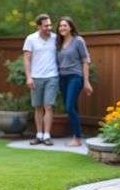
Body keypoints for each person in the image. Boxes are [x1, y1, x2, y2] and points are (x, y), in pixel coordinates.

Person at [55, 16, 93, 146]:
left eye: (65, 25)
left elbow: (85, 60)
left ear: (71, 27)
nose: (62, 28)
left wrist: (86, 81)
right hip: (62, 78)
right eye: (60, 26)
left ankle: (76, 138)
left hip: (75, 77)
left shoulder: (78, 41)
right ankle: (76, 135)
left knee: (69, 106)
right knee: (73, 107)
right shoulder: (58, 43)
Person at [23, 14, 58, 146]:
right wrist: (28, 77)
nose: (49, 27)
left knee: (48, 106)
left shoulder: (55, 38)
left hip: (52, 76)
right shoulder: (30, 39)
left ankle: (47, 136)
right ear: (39, 26)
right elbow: (26, 59)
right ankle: (39, 135)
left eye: (50, 25)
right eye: (46, 25)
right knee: (37, 107)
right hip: (36, 77)